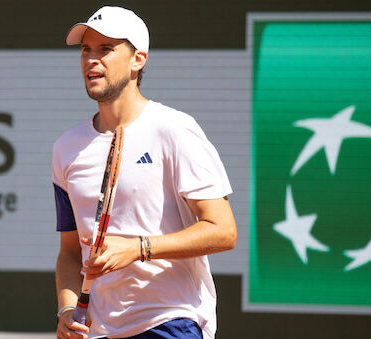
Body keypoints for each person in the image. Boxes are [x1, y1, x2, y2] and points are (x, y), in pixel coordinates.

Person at [52, 6, 236, 339]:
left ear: (138, 59)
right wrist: (67, 308)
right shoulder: (67, 148)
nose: (91, 60)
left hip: (170, 322)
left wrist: (139, 247)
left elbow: (223, 230)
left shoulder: (175, 130)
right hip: (100, 330)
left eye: (105, 49)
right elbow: (69, 252)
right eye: (86, 50)